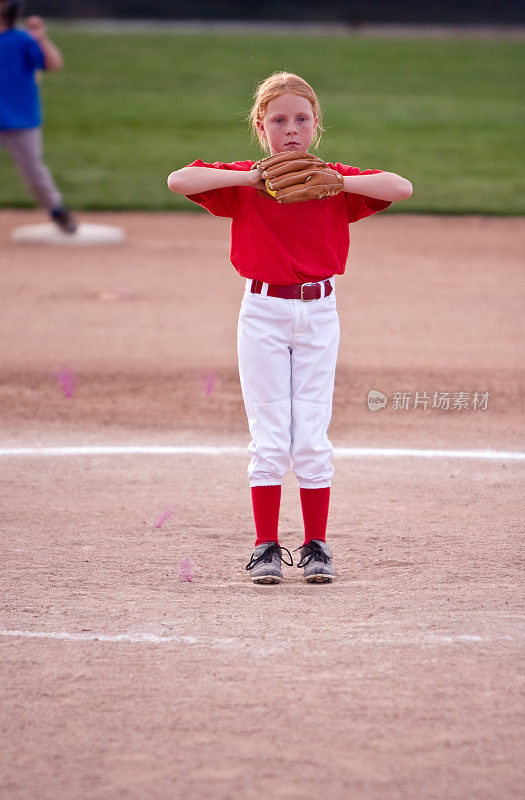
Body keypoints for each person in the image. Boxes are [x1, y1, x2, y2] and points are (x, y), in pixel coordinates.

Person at [167, 71, 412, 584]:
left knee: (312, 437)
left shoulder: (333, 180)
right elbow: (179, 180)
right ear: (261, 127)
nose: (291, 129)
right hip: (262, 313)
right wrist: (251, 178)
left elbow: (401, 187)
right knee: (271, 435)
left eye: (302, 119)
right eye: (278, 120)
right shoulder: (245, 182)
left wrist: (339, 182)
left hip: (320, 313)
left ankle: (317, 545)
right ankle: (265, 546)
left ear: (316, 124)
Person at [0, 0, 77, 233]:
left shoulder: (22, 40)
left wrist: (40, 37)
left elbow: (54, 64)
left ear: (6, 12)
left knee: (33, 172)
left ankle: (57, 210)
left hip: (22, 121)